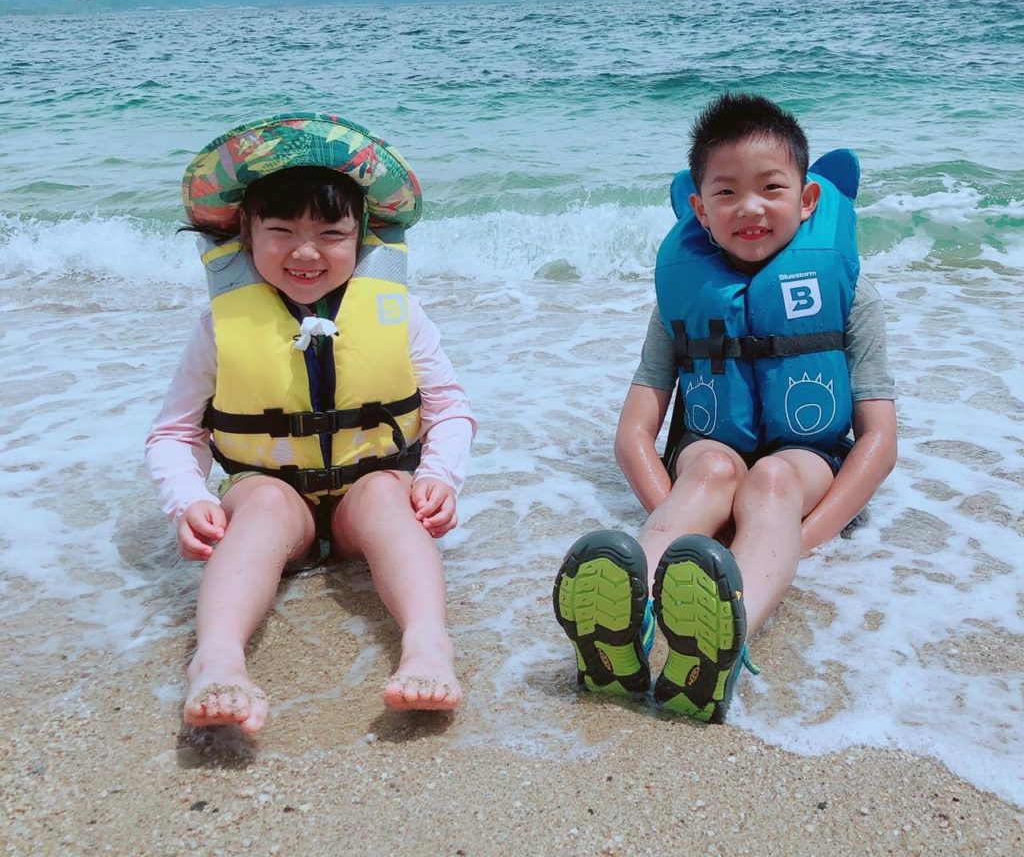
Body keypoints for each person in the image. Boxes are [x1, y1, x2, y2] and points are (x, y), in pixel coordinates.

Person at [553, 92, 897, 722]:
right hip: (712, 454)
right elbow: (634, 435)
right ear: (700, 209)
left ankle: (723, 643)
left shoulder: (850, 292)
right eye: (727, 192)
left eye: (771, 187)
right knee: (712, 468)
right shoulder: (683, 297)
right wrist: (681, 518)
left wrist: (803, 538)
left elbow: (879, 440)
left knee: (772, 478)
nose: (750, 207)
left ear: (808, 199)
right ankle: (623, 624)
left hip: (806, 461)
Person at [146, 113, 475, 733]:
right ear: (245, 233)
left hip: (365, 497)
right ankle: (217, 658)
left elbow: (449, 408)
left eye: (331, 233)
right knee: (264, 504)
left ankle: (428, 644)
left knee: (384, 493)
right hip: (272, 496)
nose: (305, 252)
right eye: (280, 231)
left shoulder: (399, 312)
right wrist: (187, 500)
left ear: (361, 236)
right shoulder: (220, 326)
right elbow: (175, 433)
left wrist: (440, 476)